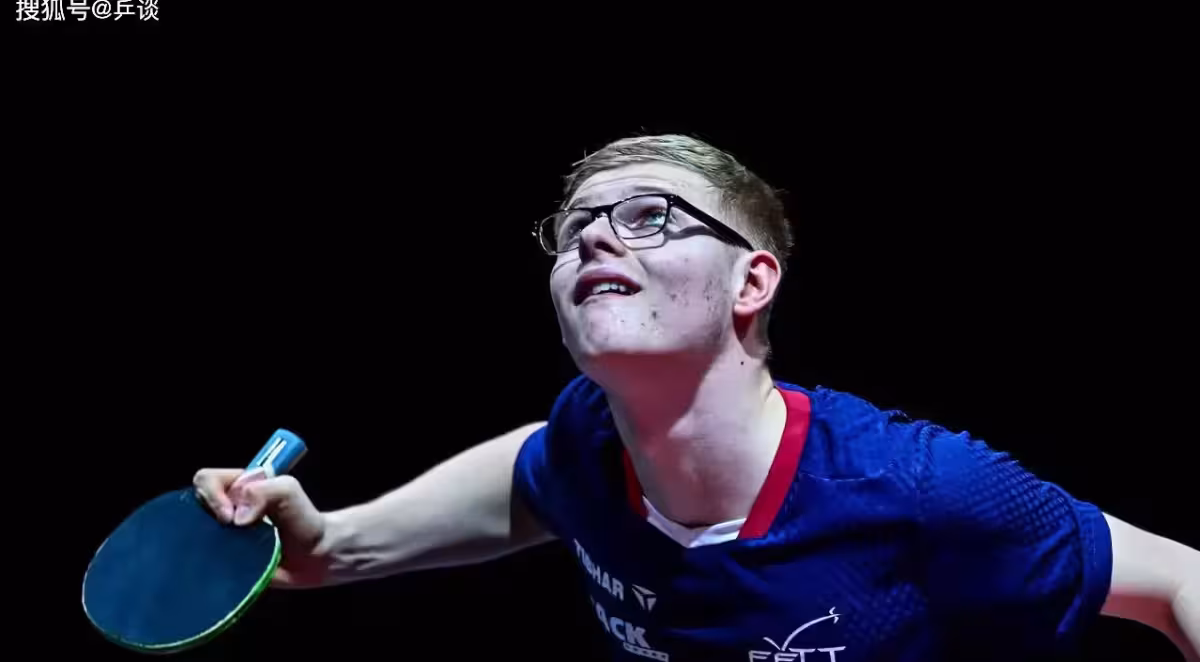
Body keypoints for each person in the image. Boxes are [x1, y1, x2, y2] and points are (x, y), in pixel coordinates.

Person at [194, 134, 1199, 661]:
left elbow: (1179, 579)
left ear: (751, 283)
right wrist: (322, 542)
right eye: (576, 227)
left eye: (648, 216)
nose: (594, 236)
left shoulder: (918, 484)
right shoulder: (586, 445)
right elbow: (521, 478)